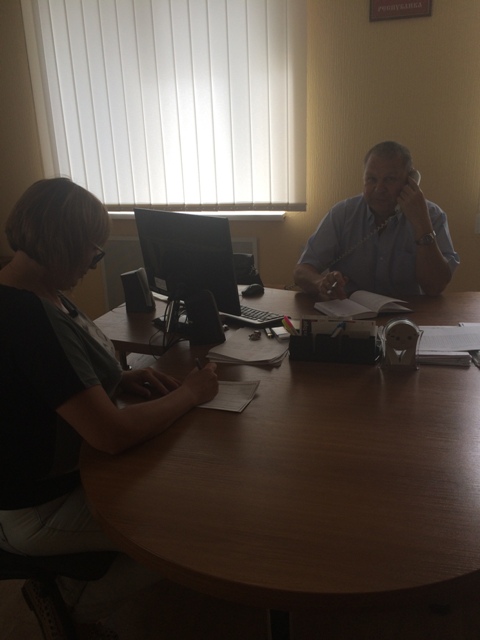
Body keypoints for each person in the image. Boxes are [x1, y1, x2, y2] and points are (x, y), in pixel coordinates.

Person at [0, 177, 219, 639]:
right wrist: (190, 393)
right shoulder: (27, 316)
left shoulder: (32, 287)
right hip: (37, 508)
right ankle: (71, 605)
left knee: (178, 476)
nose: (94, 261)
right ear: (65, 243)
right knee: (187, 531)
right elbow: (111, 434)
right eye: (93, 251)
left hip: (61, 476)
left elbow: (45, 380)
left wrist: (116, 379)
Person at [293, 141, 459, 301]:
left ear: (410, 181)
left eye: (390, 179)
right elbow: (301, 271)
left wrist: (421, 223)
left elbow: (435, 287)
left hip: (411, 314)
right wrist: (320, 282)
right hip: (350, 312)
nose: (379, 189)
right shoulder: (343, 214)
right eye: (371, 179)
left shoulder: (432, 216)